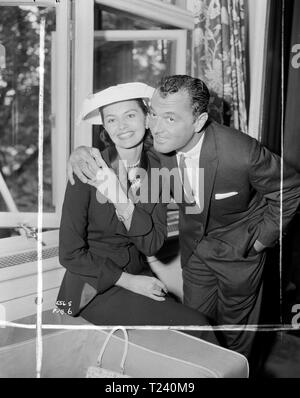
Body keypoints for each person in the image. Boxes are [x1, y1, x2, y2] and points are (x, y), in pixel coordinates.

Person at [68, 75, 300, 357]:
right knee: (194, 331)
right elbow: (123, 138)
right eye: (153, 114)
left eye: (170, 119)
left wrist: (261, 241)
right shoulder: (157, 150)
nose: (157, 127)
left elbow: (289, 189)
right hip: (194, 255)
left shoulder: (239, 152)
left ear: (199, 122)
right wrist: (79, 153)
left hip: (241, 252)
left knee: (236, 338)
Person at [57, 81, 217, 344]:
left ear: (147, 119)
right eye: (111, 119)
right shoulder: (86, 170)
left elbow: (151, 244)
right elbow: (69, 253)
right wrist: (129, 281)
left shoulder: (159, 170)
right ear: (105, 128)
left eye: (130, 115)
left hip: (138, 275)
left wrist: (121, 200)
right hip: (92, 287)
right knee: (196, 327)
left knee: (190, 330)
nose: (121, 126)